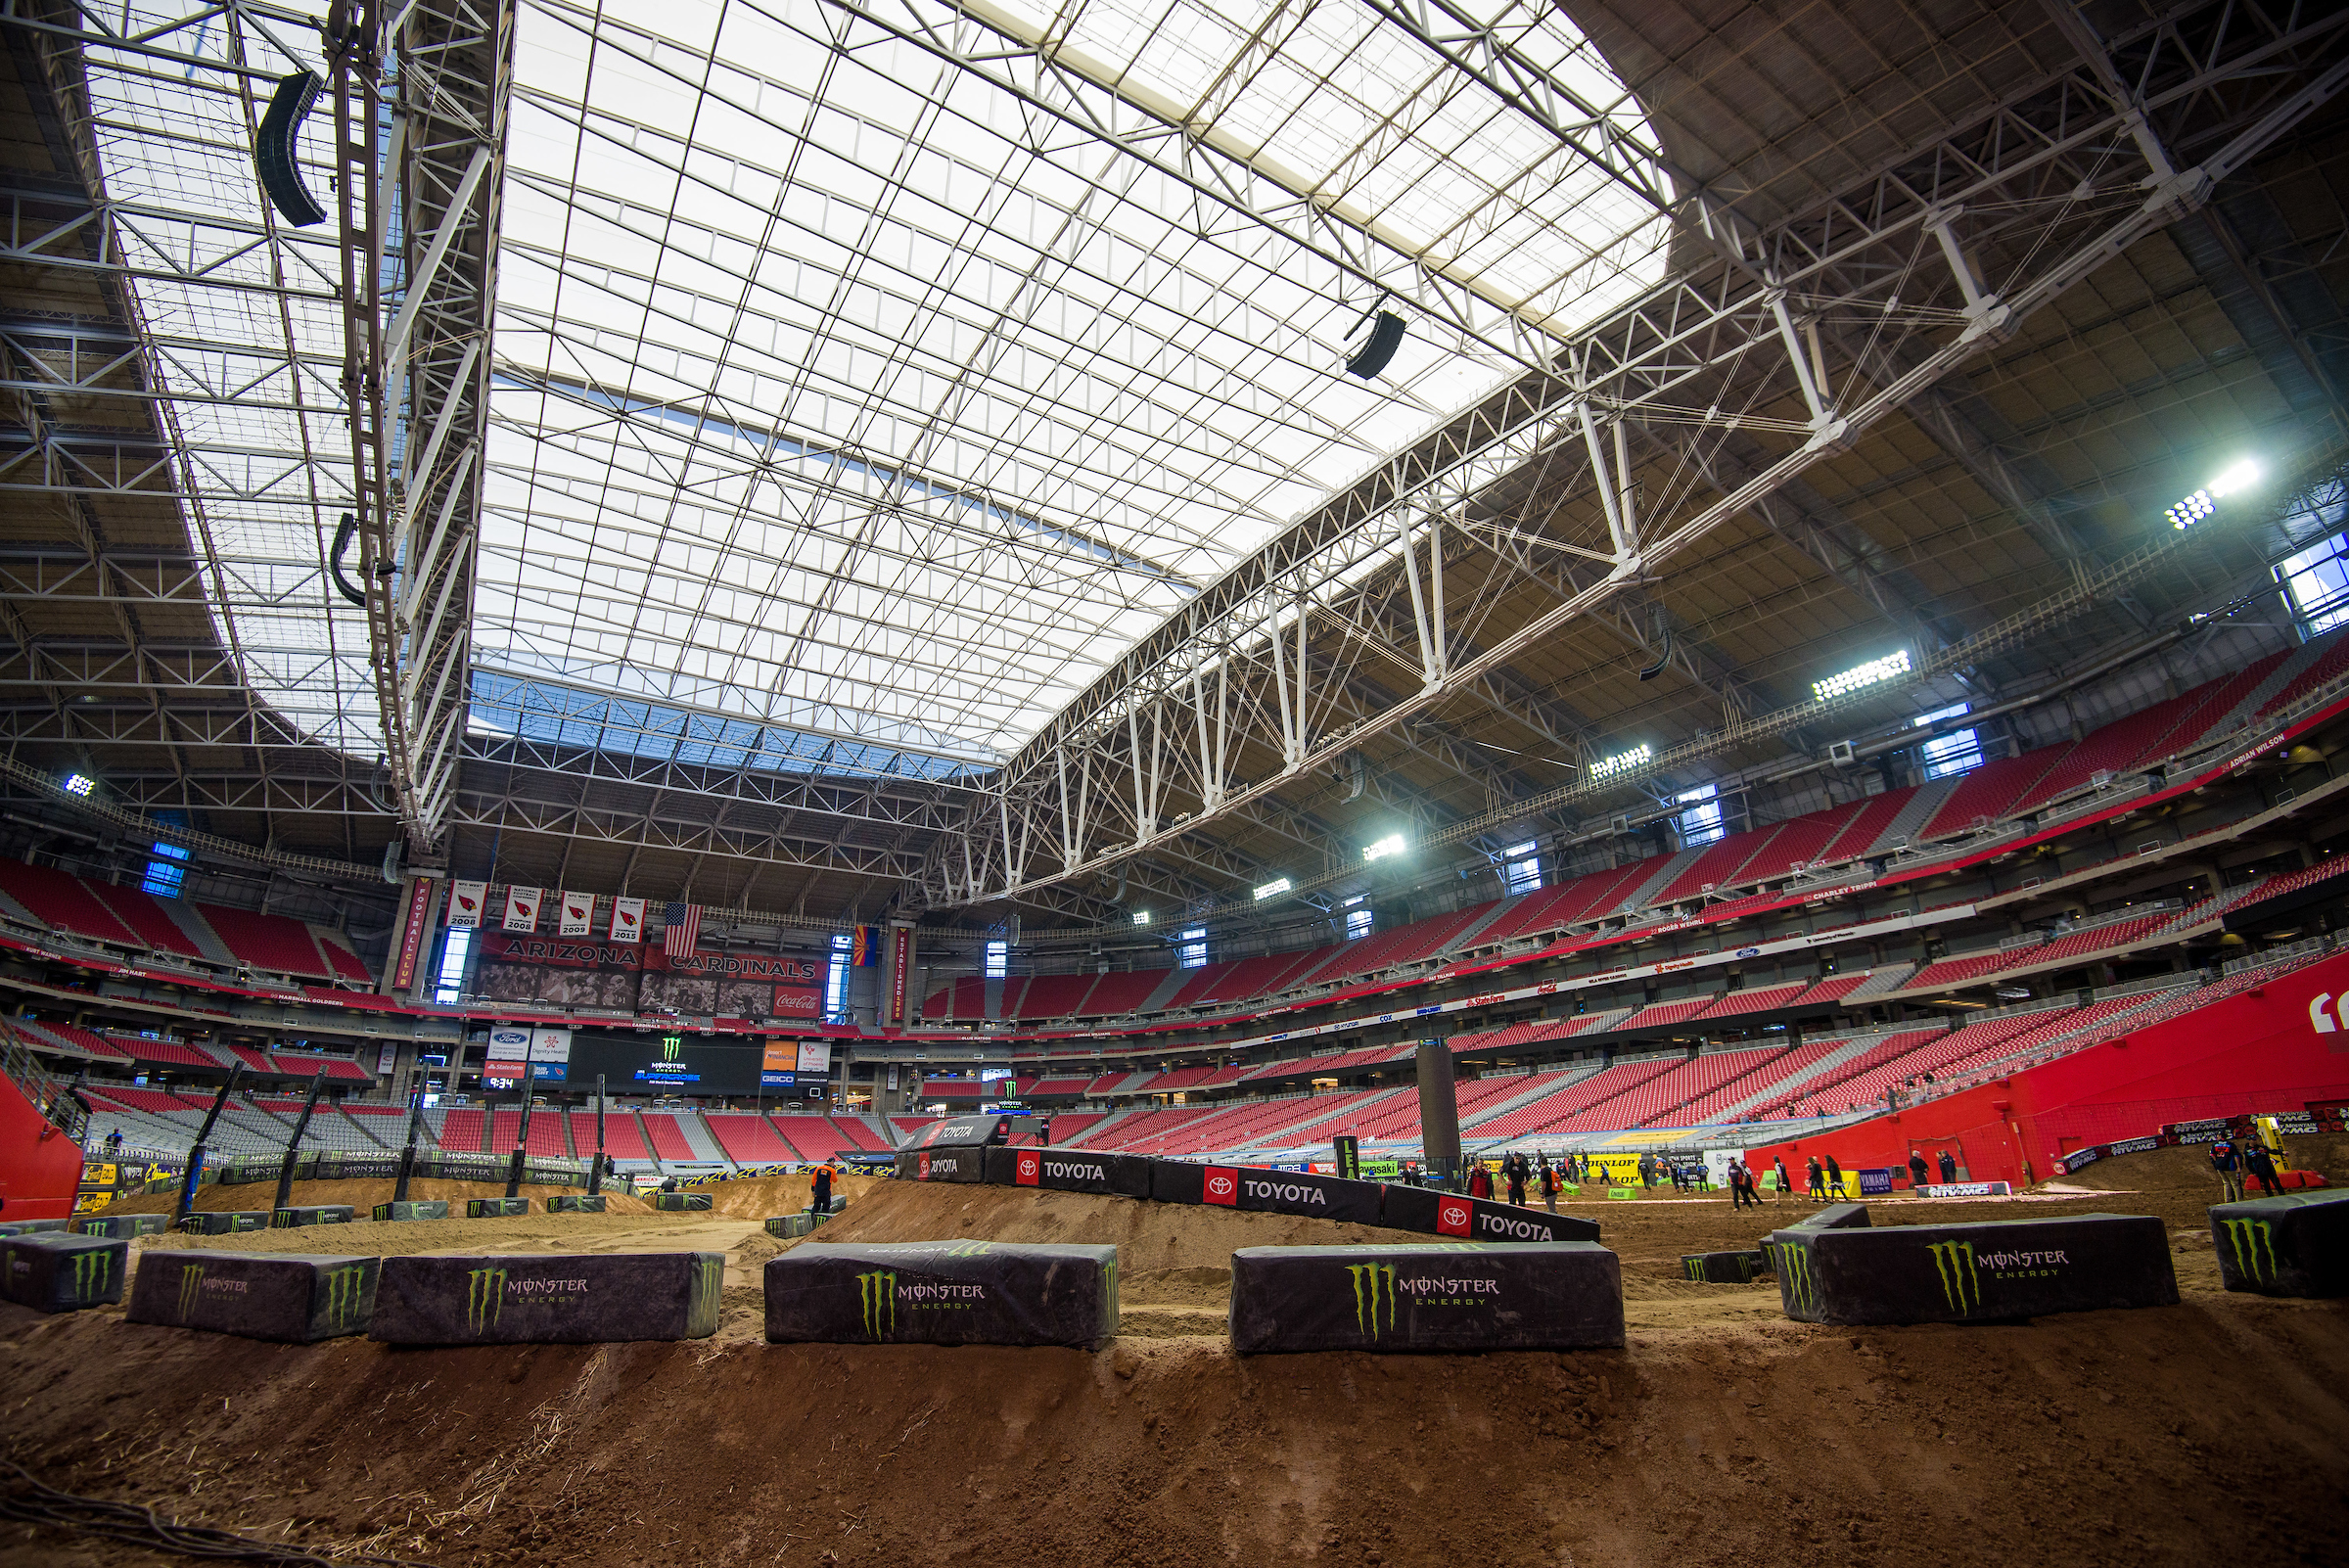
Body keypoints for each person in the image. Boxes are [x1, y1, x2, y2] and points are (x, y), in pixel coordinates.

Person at [2208, 1136, 2244, 1203]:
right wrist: (2238, 1167)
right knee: (2235, 1184)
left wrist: (2217, 1162)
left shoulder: (2215, 1144)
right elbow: (2236, 1156)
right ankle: (2239, 1200)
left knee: (2226, 1183)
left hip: (2219, 1166)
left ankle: (2227, 1200)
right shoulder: (2230, 1144)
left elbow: (2212, 1155)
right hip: (2229, 1166)